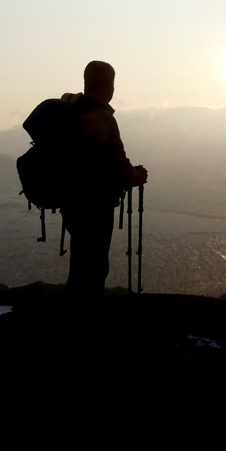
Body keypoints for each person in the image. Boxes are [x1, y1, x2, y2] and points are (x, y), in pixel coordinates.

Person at [62, 60, 147, 301]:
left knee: (80, 261)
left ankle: (74, 313)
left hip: (72, 201)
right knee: (95, 266)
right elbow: (119, 164)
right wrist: (137, 176)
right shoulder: (101, 117)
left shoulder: (71, 112)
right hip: (95, 205)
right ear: (110, 86)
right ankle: (88, 321)